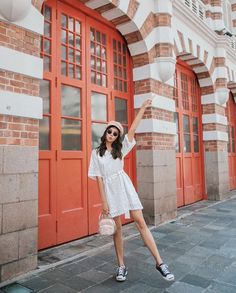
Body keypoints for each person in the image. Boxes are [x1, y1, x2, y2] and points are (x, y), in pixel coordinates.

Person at [88, 99, 174, 282]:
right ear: (105, 133)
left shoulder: (120, 149)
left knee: (140, 221)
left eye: (115, 133)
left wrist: (142, 108)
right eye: (110, 131)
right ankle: (121, 266)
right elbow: (99, 179)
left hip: (124, 185)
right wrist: (104, 202)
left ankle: (160, 263)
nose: (112, 134)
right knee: (117, 229)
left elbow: (133, 129)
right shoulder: (96, 153)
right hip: (109, 191)